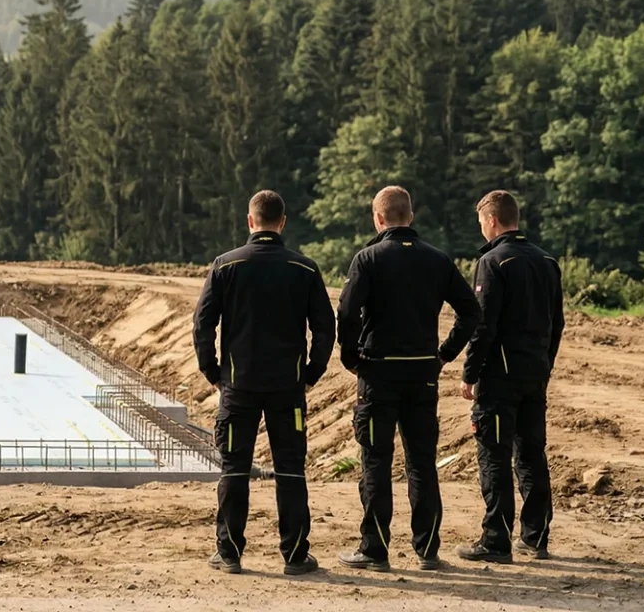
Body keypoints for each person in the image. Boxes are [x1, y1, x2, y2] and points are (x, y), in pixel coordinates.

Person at [335, 186, 481, 572]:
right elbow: (471, 311)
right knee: (421, 463)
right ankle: (428, 549)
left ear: (378, 219)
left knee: (376, 462)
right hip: (421, 373)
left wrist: (351, 358)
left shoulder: (367, 259)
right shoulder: (438, 259)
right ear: (410, 217)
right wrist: (444, 354)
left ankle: (375, 549)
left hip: (378, 372)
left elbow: (347, 314)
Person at [194, 190, 334, 576]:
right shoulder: (304, 269)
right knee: (291, 470)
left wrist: (213, 370)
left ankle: (230, 553)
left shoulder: (225, 266)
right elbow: (325, 327)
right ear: (282, 222)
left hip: (238, 386)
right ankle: (294, 555)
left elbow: (203, 323)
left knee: (234, 470)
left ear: (250, 222)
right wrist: (312, 372)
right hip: (287, 388)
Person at [457, 190, 563, 564]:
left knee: (495, 456)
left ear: (491, 220)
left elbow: (483, 325)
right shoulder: (548, 261)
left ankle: (495, 539)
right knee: (532, 454)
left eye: (481, 222)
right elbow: (557, 323)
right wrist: (545, 363)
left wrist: (470, 372)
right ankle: (536, 536)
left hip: (501, 377)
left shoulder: (493, 262)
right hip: (535, 373)